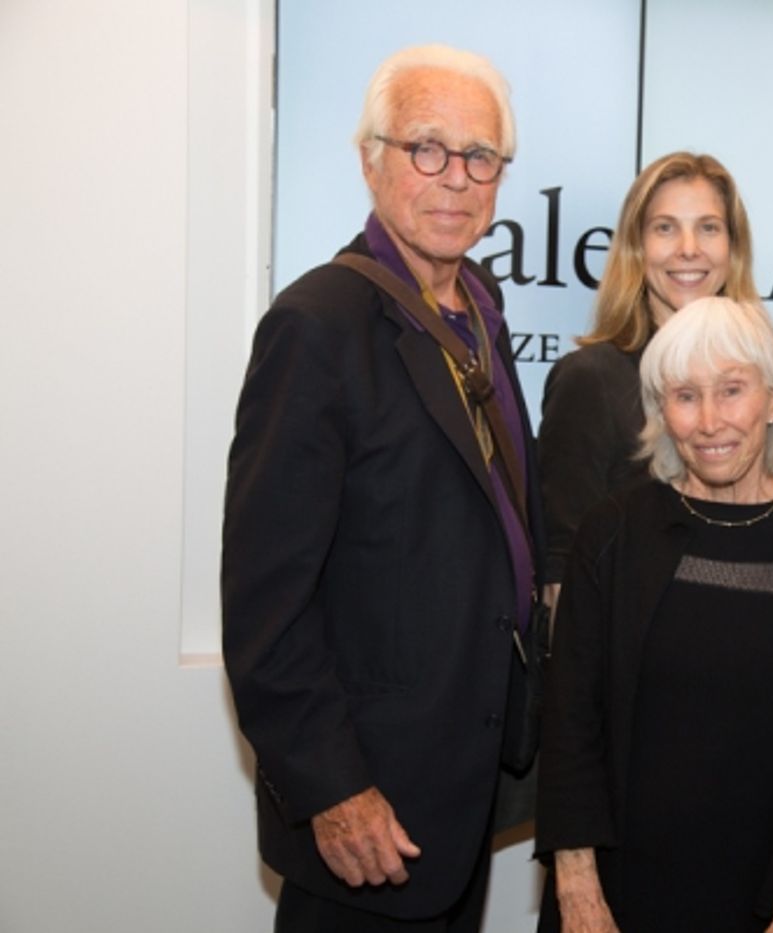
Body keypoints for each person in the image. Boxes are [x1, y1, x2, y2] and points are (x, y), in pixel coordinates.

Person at [222, 45, 542, 932]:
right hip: (371, 805)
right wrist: (333, 788)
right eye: (426, 148)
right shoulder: (316, 324)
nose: (456, 178)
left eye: (480, 156)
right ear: (371, 159)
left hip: (461, 778)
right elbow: (264, 601)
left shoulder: (480, 308)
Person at [535, 296, 773, 932]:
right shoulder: (613, 532)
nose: (710, 421)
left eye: (732, 390)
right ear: (660, 412)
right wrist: (576, 887)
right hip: (613, 890)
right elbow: (571, 718)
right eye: (686, 396)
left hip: (763, 895)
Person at [536, 151, 760, 598]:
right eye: (665, 228)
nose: (689, 248)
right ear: (636, 248)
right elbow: (561, 574)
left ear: (733, 248)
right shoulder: (590, 380)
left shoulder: (758, 380)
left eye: (708, 228)